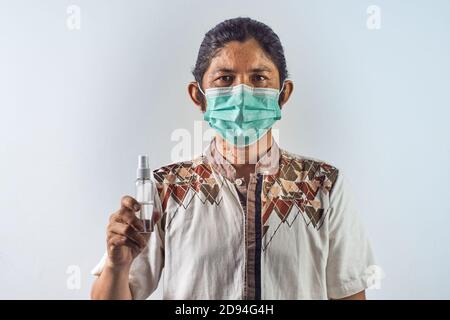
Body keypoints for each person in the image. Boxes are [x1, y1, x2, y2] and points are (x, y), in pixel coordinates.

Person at [91, 17, 375, 300]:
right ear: (198, 96)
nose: (241, 93)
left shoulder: (324, 187)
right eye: (225, 78)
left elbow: (350, 295)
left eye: (258, 78)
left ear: (283, 94)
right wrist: (117, 266)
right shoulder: (166, 189)